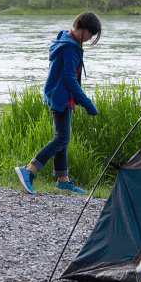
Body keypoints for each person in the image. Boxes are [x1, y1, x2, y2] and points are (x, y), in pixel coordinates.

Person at [15, 11, 102, 195]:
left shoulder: (65, 38)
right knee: (61, 138)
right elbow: (70, 79)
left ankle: (63, 180)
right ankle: (29, 169)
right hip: (61, 96)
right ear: (84, 29)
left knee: (62, 137)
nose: (89, 39)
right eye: (90, 35)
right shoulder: (71, 48)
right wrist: (87, 103)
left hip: (59, 94)